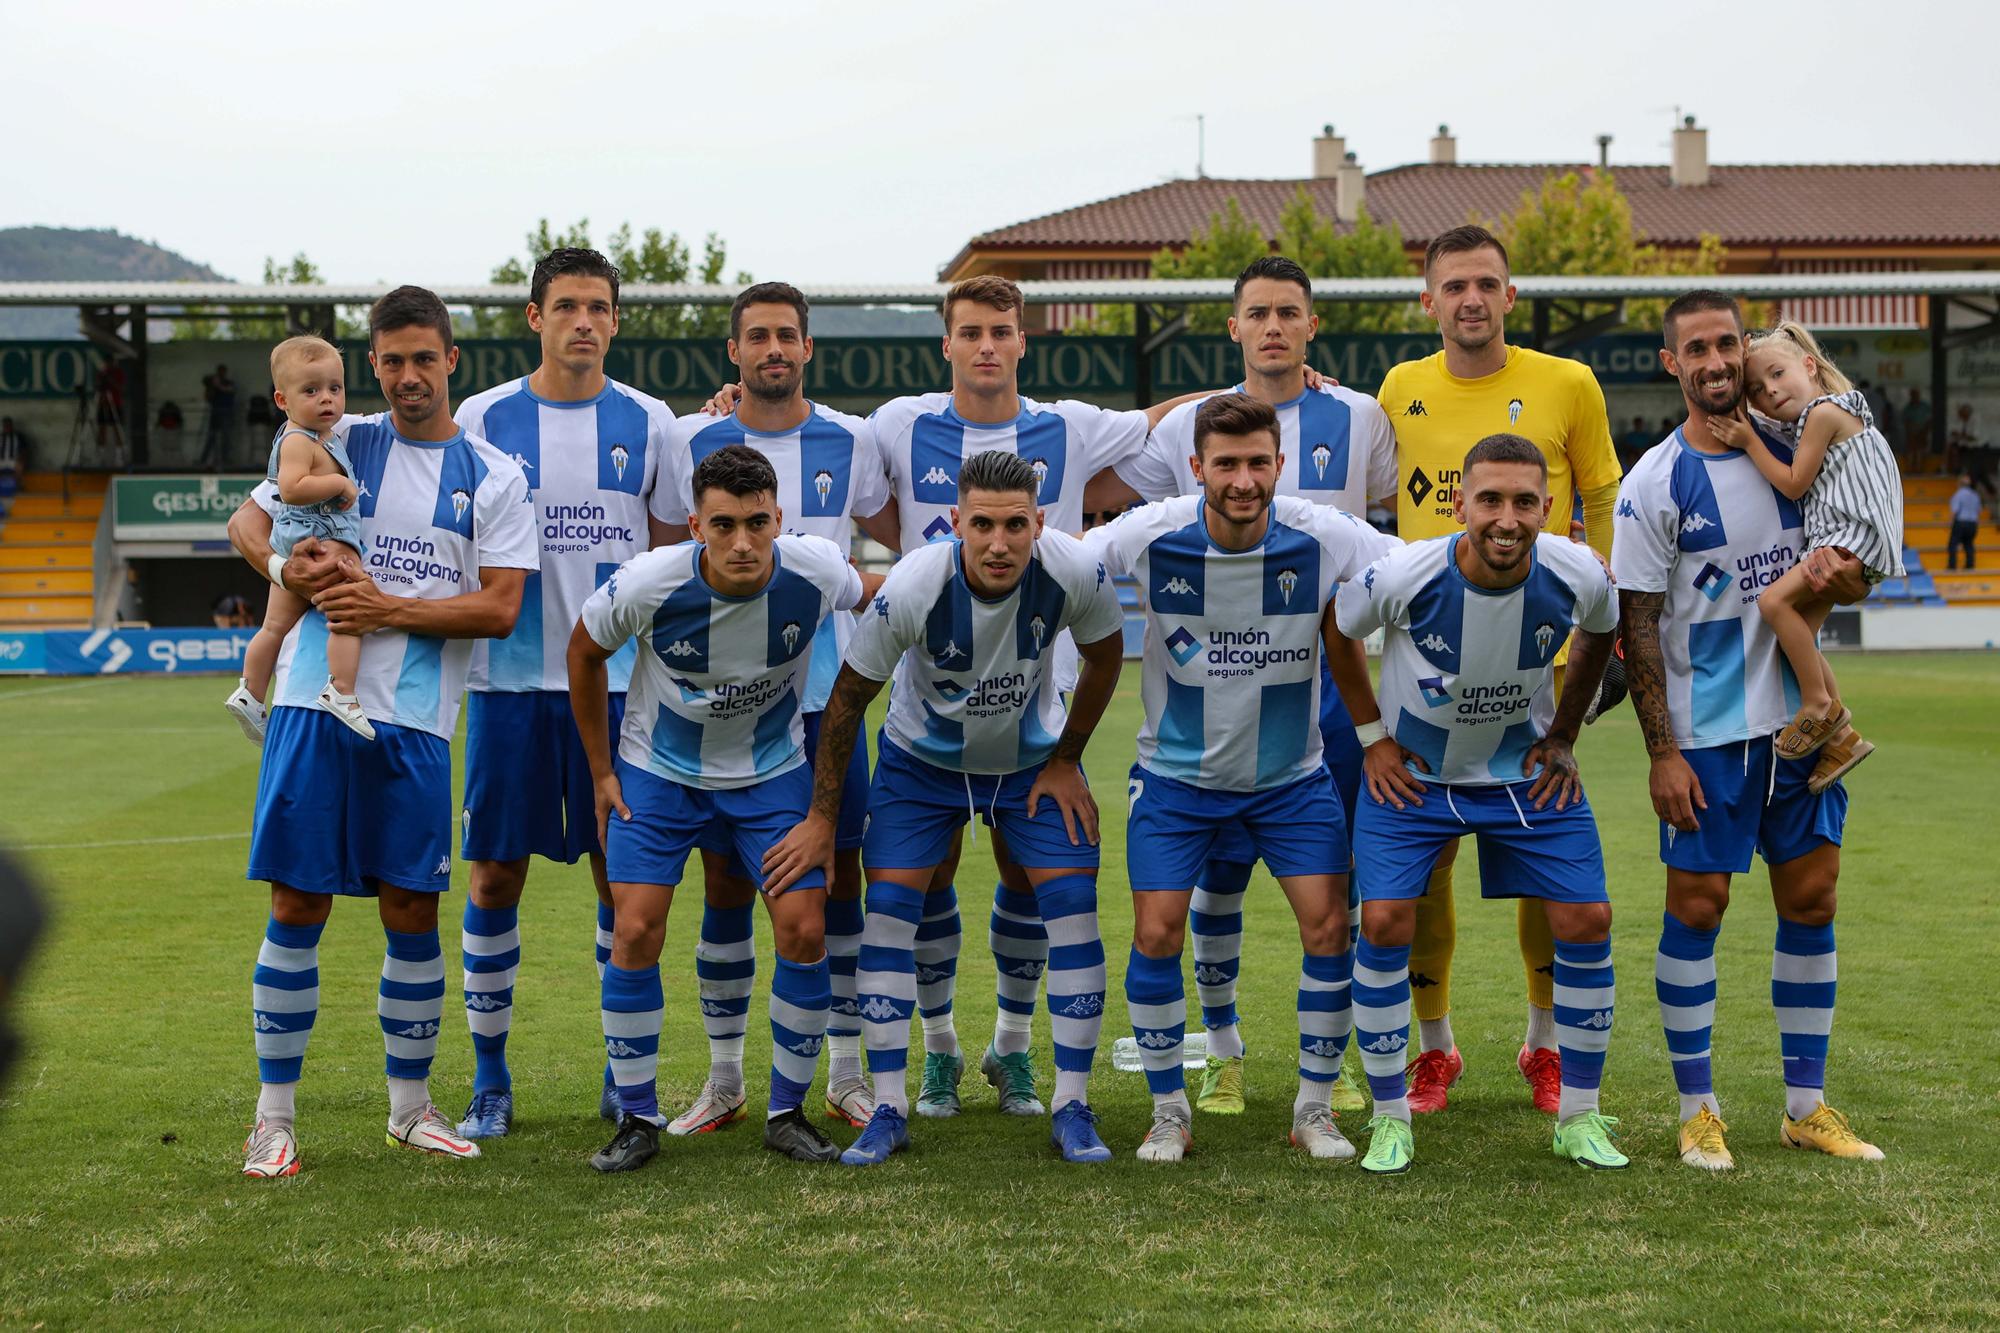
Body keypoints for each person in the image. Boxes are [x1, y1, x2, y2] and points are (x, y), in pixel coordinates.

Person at [224, 286, 538, 1177]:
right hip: (314, 704)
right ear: (375, 367)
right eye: (391, 360)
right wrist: (289, 565)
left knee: (411, 909)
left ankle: (410, 1109)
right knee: (296, 903)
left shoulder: (494, 475)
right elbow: (249, 520)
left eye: (423, 358)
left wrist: (385, 604)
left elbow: (501, 607)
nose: (408, 375)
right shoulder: (338, 437)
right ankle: (271, 1120)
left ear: (451, 362)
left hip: (418, 722)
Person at [1086, 254, 1397, 1117]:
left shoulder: (1356, 423)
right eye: (1257, 311)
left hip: (1320, 696)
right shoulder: (1174, 477)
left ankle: (1325, 1087)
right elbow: (1079, 538)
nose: (1273, 325)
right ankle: (1216, 1057)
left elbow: (1407, 554)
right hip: (1191, 746)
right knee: (1207, 893)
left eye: (1288, 311)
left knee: (1341, 907)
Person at [765, 449, 1127, 1166]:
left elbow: (1106, 656)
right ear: (956, 523)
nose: (1000, 543)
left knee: (1074, 909)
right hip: (922, 765)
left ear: (1040, 522)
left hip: (1028, 763)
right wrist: (821, 816)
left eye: (1016, 525)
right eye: (983, 525)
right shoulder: (913, 585)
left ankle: (1072, 1104)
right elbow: (846, 700)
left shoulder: (1075, 571)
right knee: (891, 911)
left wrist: (1067, 758)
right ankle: (891, 1104)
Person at [1615, 289, 1882, 1171]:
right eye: (1697, 348)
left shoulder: (1799, 452)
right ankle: (1698, 1109)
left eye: (1728, 343)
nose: (1717, 360)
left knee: (1813, 901)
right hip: (1709, 735)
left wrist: (1856, 584)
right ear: (1673, 364)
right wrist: (1661, 749)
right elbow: (1640, 622)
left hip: (1804, 726)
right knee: (1700, 906)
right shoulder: (1655, 480)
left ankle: (1805, 1105)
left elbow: (1843, 565)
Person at [1371, 224, 1624, 1115]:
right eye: (1454, 286)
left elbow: (1601, 497)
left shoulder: (1567, 382)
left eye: (1486, 284)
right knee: (1421, 858)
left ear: (1509, 296)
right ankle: (1434, 1047)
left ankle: (1544, 1044)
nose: (1470, 299)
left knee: (1538, 847)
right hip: (1425, 655)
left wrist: (1615, 626)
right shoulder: (1398, 389)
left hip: (1537, 657)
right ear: (1429, 300)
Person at [568, 444, 873, 1172]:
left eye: (757, 523)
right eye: (724, 524)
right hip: (659, 773)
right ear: (695, 524)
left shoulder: (820, 570)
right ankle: (637, 1116)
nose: (743, 541)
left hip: (770, 774)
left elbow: (883, 598)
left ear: (780, 519)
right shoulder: (646, 583)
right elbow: (582, 654)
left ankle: (785, 1112)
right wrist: (602, 773)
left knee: (804, 928)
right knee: (635, 928)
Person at [1333, 434, 1622, 1175]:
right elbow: (1340, 631)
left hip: (1524, 774)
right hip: (1417, 779)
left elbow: (1601, 628)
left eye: (1524, 501)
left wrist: (1563, 732)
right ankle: (1390, 1118)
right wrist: (1373, 738)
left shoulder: (1577, 570)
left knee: (1587, 917)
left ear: (1547, 508)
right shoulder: (1405, 572)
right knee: (1388, 917)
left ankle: (1581, 1117)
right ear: (1461, 502)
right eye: (1489, 499)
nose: (1506, 517)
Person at [652, 282, 901, 1136]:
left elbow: (897, 534)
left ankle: (843, 1072)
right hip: (725, 701)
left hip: (826, 699)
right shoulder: (692, 437)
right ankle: (724, 1079)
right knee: (725, 881)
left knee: (837, 881)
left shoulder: (850, 438)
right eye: (757, 336)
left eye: (787, 336)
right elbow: (666, 559)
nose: (773, 350)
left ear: (807, 348)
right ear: (735, 351)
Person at [447, 247, 681, 1140]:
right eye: (567, 306)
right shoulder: (482, 416)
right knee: (495, 874)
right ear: (534, 318)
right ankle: (491, 1077)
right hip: (508, 685)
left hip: (621, 688)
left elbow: (667, 557)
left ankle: (624, 1078)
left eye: (599, 307)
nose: (584, 320)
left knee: (620, 884)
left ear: (617, 322)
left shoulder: (651, 422)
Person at [1709, 323, 1903, 781]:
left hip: (1849, 538)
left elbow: (1795, 483)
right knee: (1796, 635)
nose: (1770, 391)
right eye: (1756, 388)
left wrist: (1748, 440)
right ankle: (1842, 739)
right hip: (1847, 539)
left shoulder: (1824, 413)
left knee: (1773, 602)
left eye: (1777, 374)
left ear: (1810, 366)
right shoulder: (1814, 417)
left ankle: (1819, 704)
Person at [224, 336, 376, 743]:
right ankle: (342, 690)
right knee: (347, 619)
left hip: (297, 548)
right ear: (282, 399)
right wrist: (339, 483)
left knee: (274, 627)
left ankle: (251, 694)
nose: (326, 399)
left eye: (335, 388)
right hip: (323, 542)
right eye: (311, 391)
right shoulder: (298, 438)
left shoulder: (322, 435)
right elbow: (291, 488)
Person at [201, 363, 239, 467]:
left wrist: (219, 386)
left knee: (226, 437)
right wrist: (213, 386)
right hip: (215, 413)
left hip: (226, 412)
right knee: (211, 436)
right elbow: (208, 397)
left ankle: (225, 460)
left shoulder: (228, 383)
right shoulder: (213, 386)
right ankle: (204, 460)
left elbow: (231, 390)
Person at [1948, 473, 1983, 569]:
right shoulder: (1975, 495)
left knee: (1953, 544)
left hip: (1961, 522)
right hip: (1972, 523)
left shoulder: (1958, 495)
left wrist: (1950, 522)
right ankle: (1970, 565)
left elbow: (1955, 510)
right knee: (1969, 544)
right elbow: (1979, 511)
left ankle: (1952, 565)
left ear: (1959, 484)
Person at [1902, 388, 1931, 461]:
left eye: (1916, 395)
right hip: (1912, 433)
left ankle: (1920, 465)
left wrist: (1924, 432)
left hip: (1924, 432)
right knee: (1911, 445)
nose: (1915, 397)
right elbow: (1906, 422)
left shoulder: (1925, 407)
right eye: (1913, 395)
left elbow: (1929, 420)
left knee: (1921, 447)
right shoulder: (1907, 409)